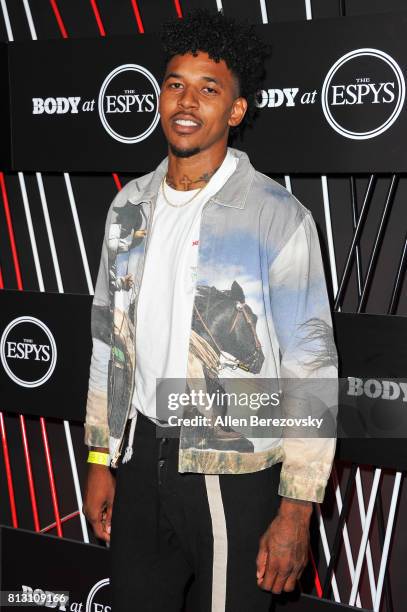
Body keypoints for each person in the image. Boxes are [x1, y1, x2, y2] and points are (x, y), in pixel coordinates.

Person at [82, 9, 338, 612]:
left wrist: (296, 509)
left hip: (233, 468)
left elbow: (311, 366)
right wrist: (101, 458)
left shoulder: (276, 214)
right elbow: (106, 345)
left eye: (209, 88)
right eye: (175, 84)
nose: (187, 102)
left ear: (236, 110)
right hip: (142, 457)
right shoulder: (129, 207)